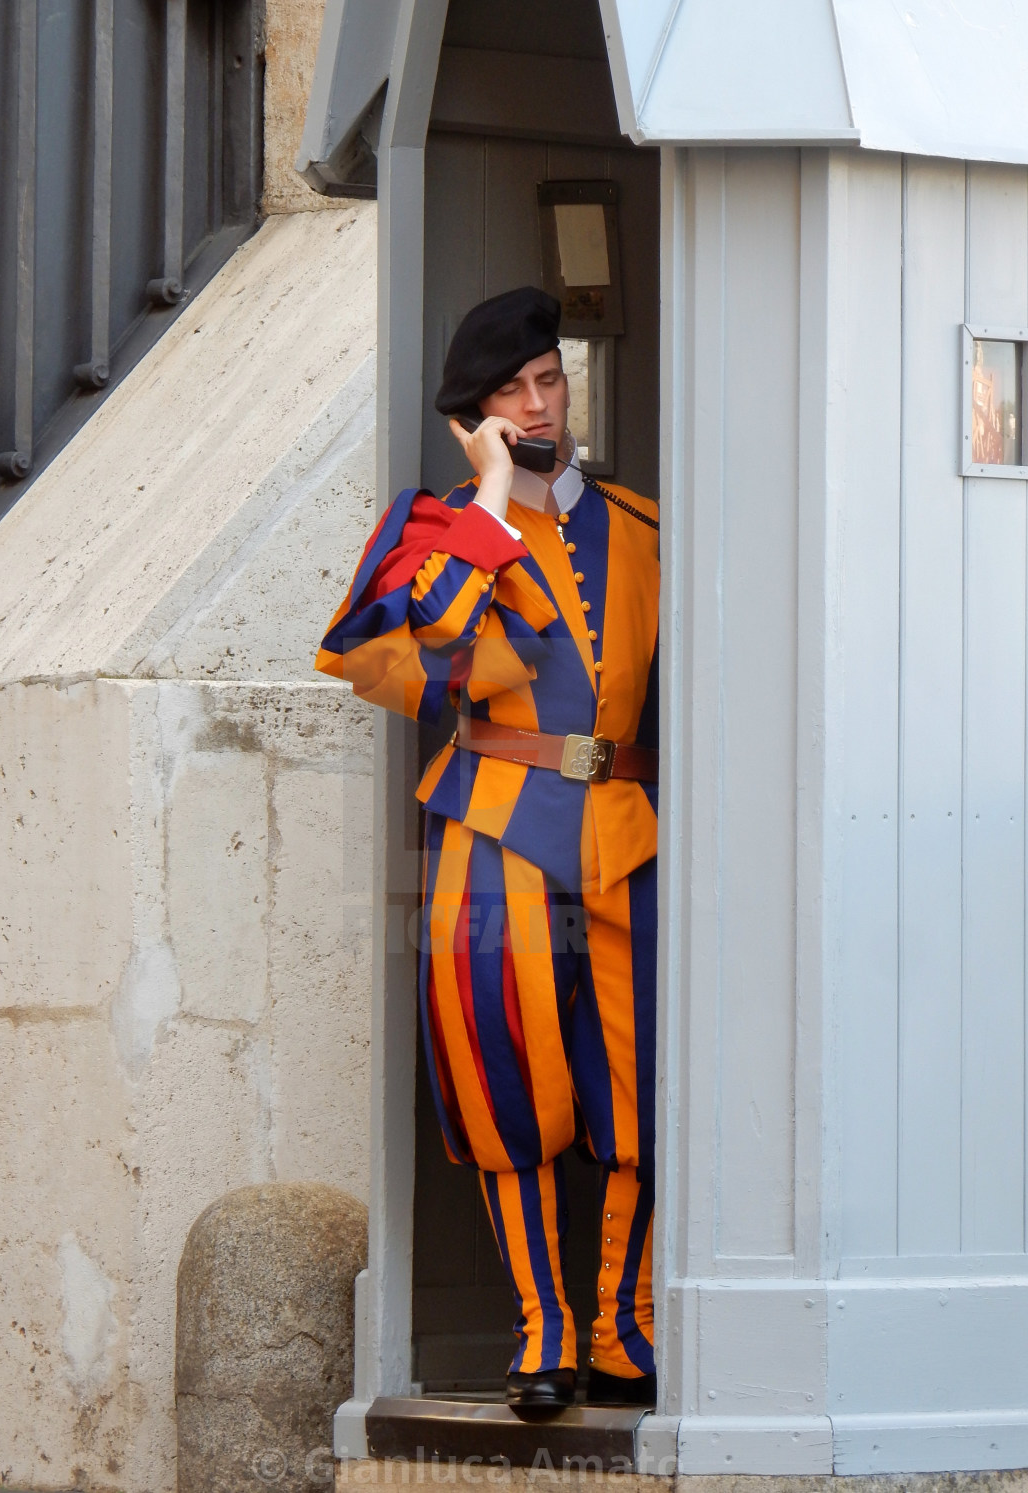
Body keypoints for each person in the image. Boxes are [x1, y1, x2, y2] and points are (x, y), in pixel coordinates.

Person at [316, 287, 660, 1412]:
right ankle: (543, 1329)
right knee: (502, 1072)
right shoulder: (435, 532)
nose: (537, 403)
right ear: (476, 416)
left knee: (643, 1079)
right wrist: (496, 500)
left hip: (627, 831)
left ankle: (621, 1322)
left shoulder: (645, 527)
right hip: (491, 827)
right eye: (510, 394)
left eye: (547, 380)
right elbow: (433, 657)